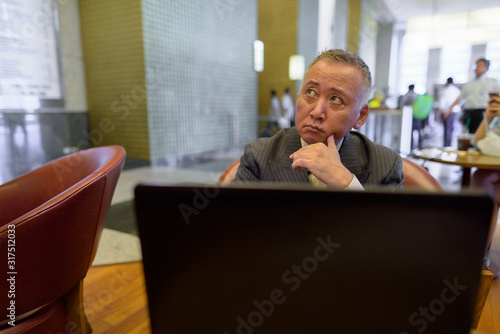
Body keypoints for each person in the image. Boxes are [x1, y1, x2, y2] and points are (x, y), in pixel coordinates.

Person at [233, 49, 403, 189]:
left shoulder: (385, 165)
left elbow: (392, 230)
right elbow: (230, 224)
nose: (316, 112)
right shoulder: (258, 156)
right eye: (311, 92)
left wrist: (348, 184)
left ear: (361, 116)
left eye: (336, 99)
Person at [447, 58, 500, 134]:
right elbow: (460, 97)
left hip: (482, 113)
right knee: (468, 135)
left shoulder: (492, 82)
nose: (477, 68)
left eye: (480, 65)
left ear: (487, 68)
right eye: (477, 65)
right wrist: (450, 109)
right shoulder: (469, 84)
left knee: (481, 135)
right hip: (468, 113)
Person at [438, 77, 461, 147]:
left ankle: (446, 145)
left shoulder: (445, 90)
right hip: (454, 111)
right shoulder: (457, 90)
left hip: (446, 111)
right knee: (450, 129)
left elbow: (442, 102)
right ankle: (449, 145)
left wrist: (442, 111)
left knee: (447, 129)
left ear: (447, 82)